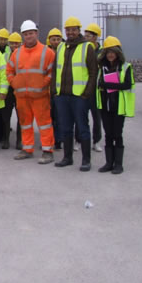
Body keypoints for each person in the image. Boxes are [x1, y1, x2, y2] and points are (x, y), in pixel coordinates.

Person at [51, 17, 98, 171]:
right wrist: (54, 92)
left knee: (82, 128)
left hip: (79, 97)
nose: (70, 32)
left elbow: (93, 72)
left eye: (73, 29)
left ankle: (86, 160)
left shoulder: (87, 47)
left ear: (78, 30)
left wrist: (87, 93)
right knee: (65, 128)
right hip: (62, 96)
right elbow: (55, 70)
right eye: (68, 29)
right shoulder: (61, 47)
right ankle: (67, 157)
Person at [7, 20, 56, 164]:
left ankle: (48, 151)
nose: (28, 36)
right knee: (25, 123)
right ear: (23, 36)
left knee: (44, 123)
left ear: (36, 33)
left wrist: (43, 84)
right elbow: (9, 70)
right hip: (22, 96)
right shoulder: (16, 53)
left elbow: (51, 72)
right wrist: (14, 83)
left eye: (31, 33)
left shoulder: (47, 52)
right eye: (26, 34)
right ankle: (27, 148)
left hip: (40, 96)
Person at [96, 36, 134, 174]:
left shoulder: (125, 67)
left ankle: (118, 165)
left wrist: (108, 84)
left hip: (119, 107)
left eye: (113, 51)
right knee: (108, 135)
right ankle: (108, 163)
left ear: (118, 52)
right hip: (105, 106)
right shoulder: (102, 68)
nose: (110, 54)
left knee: (117, 135)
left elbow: (127, 84)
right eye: (108, 52)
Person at [84, 23, 104, 153]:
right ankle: (79, 140)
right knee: (81, 117)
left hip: (97, 90)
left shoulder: (103, 52)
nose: (86, 38)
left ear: (96, 37)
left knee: (97, 118)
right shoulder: (82, 49)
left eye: (89, 36)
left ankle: (96, 141)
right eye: (85, 36)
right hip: (84, 89)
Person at [47, 28, 63, 150]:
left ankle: (58, 140)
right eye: (54, 39)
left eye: (58, 39)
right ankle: (49, 139)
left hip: (60, 90)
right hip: (47, 90)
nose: (56, 41)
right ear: (49, 40)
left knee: (59, 117)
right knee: (48, 117)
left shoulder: (65, 51)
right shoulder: (46, 52)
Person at [7, 31, 22, 149]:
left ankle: (19, 141)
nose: (14, 46)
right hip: (8, 89)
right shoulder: (4, 54)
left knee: (21, 116)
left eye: (16, 43)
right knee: (5, 116)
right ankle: (5, 139)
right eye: (12, 43)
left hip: (20, 89)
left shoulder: (23, 54)